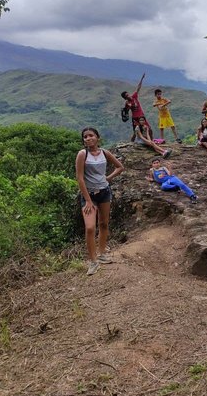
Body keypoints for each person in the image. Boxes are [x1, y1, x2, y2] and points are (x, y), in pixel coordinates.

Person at [75, 127, 124, 276]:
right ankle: (93, 261)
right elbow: (80, 178)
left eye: (91, 136)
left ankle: (102, 253)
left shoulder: (104, 153)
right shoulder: (83, 154)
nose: (88, 138)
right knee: (90, 227)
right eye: (85, 137)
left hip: (104, 192)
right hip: (89, 195)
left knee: (103, 223)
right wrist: (88, 201)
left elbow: (120, 167)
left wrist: (107, 178)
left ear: (98, 137)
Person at [121, 73, 151, 141]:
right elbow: (127, 110)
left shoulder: (134, 96)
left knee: (148, 128)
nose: (128, 96)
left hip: (141, 116)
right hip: (135, 118)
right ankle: (131, 143)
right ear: (125, 98)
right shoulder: (127, 103)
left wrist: (142, 78)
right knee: (135, 132)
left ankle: (151, 141)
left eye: (128, 94)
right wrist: (128, 106)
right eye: (126, 96)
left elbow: (138, 87)